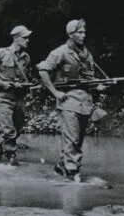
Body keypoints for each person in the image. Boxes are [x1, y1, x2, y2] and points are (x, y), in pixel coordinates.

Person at [37, 19, 108, 181]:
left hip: (85, 102)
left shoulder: (86, 53)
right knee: (72, 138)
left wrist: (97, 87)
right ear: (71, 34)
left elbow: (88, 78)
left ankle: (62, 166)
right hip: (68, 101)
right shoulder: (60, 52)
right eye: (80, 32)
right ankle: (72, 171)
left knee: (78, 139)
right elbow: (43, 70)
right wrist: (55, 92)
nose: (84, 35)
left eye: (84, 32)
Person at [0, 25, 33, 166]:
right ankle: (12, 157)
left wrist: (25, 84)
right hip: (3, 96)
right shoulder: (1, 53)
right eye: (25, 37)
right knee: (9, 129)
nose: (28, 40)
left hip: (19, 97)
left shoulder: (26, 57)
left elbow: (27, 77)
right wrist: (1, 82)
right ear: (16, 38)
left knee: (19, 128)